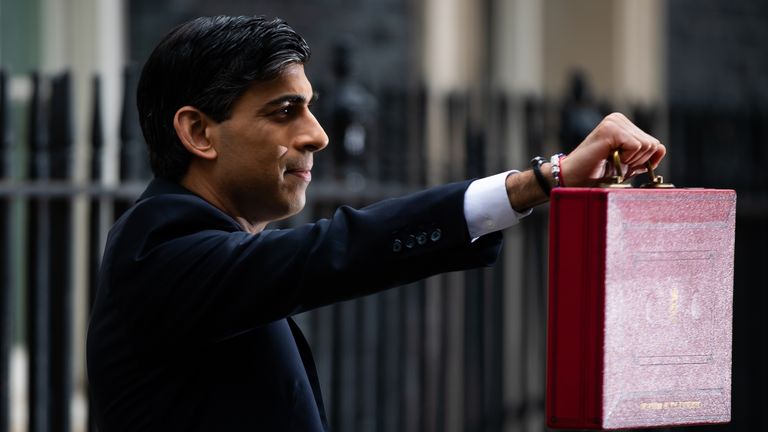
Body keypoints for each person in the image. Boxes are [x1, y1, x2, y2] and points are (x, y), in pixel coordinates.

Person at [86, 15, 666, 432]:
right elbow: (336, 251)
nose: (318, 133)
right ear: (197, 133)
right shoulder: (157, 247)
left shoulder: (209, 251)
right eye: (284, 111)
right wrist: (539, 181)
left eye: (311, 106)